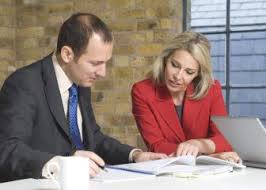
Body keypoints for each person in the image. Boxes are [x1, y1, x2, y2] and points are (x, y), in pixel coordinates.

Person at [0, 13, 167, 182]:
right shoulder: (24, 83)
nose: (103, 73)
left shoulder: (79, 81)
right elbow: (7, 150)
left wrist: (135, 155)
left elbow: (92, 137)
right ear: (67, 55)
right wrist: (61, 165)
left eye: (105, 62)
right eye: (95, 63)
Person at [131, 31, 240, 162]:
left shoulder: (211, 89)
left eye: (189, 72)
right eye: (175, 65)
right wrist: (206, 156)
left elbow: (224, 138)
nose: (178, 76)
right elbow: (156, 145)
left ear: (198, 74)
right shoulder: (143, 91)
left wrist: (198, 144)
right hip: (167, 170)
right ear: (165, 60)